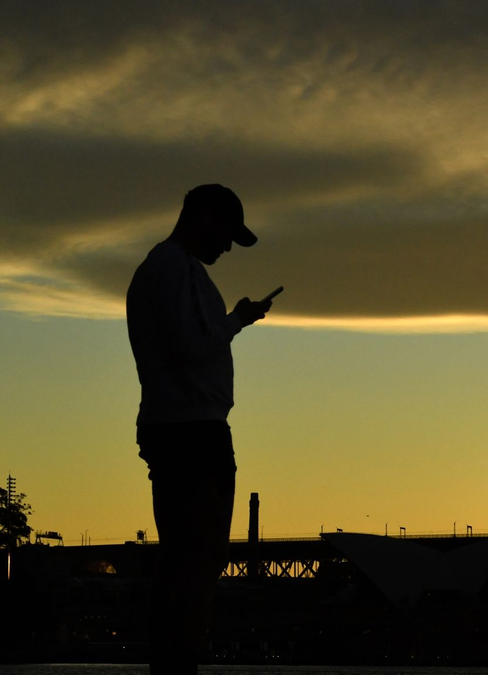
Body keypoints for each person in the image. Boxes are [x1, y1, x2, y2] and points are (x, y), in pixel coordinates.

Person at [126, 184, 273, 674]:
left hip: (174, 426)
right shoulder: (177, 267)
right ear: (205, 219)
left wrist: (237, 320)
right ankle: (179, 664)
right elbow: (192, 343)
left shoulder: (161, 268)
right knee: (200, 558)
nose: (227, 247)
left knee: (182, 559)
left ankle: (170, 662)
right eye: (227, 234)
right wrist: (235, 320)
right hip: (192, 430)